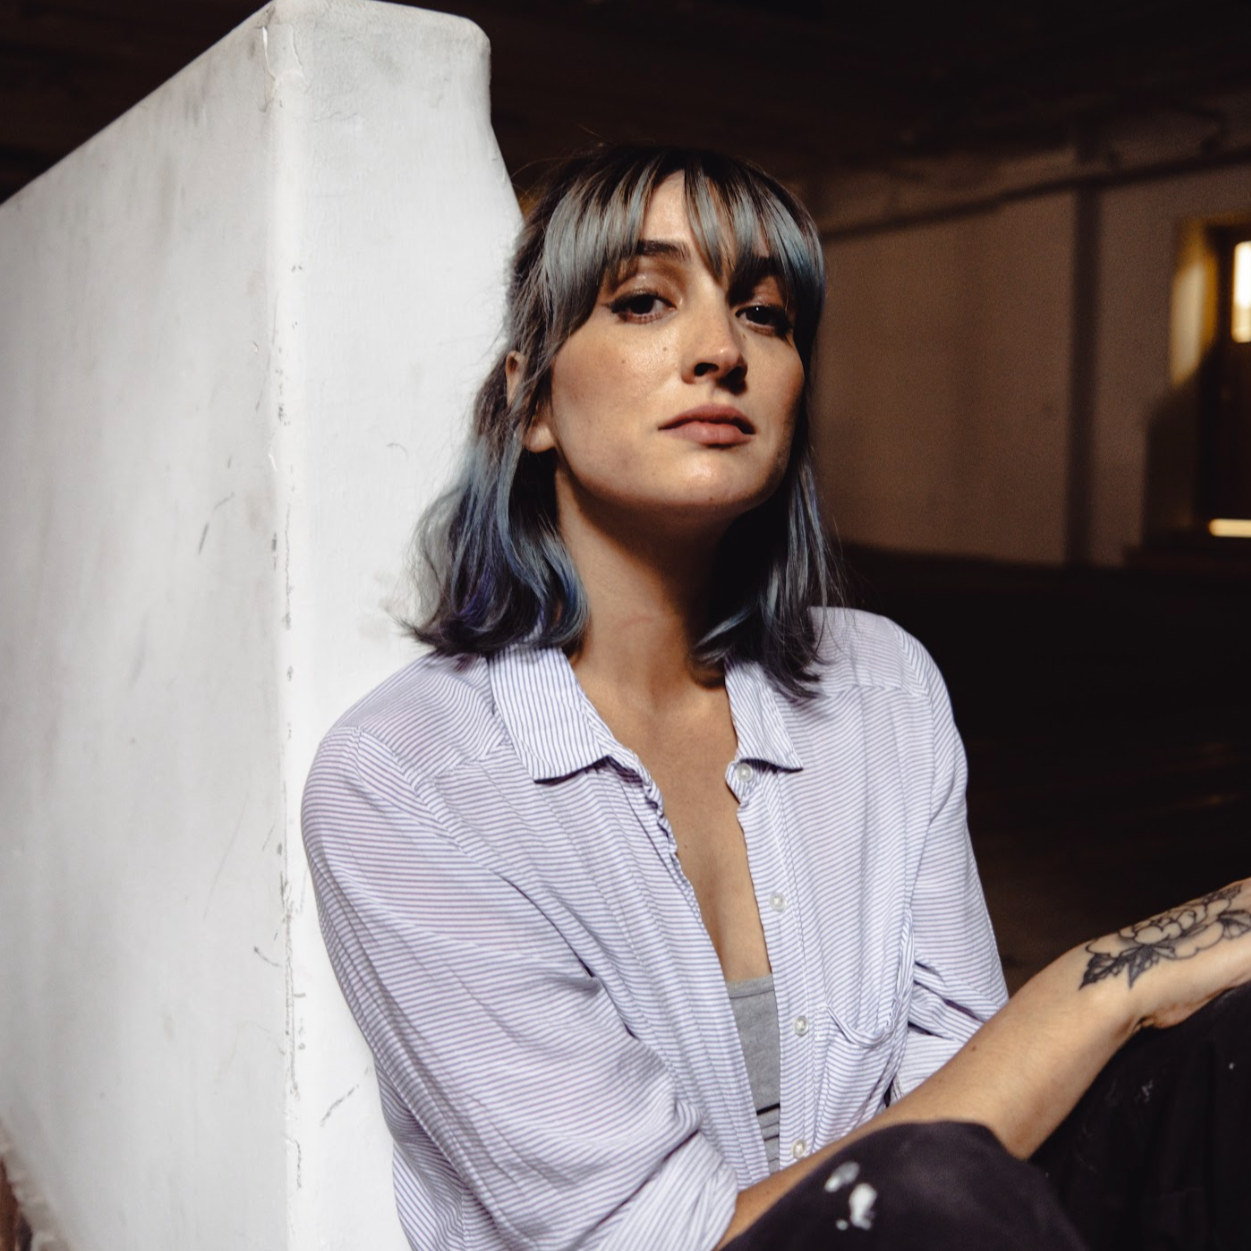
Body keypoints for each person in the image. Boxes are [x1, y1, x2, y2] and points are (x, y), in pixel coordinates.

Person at [302, 145, 1250, 1251]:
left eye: (764, 313)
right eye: (647, 301)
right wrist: (1098, 986)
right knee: (943, 1183)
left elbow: (972, 1092)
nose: (721, 351)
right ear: (531, 405)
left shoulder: (880, 684)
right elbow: (659, 1237)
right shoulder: (407, 787)